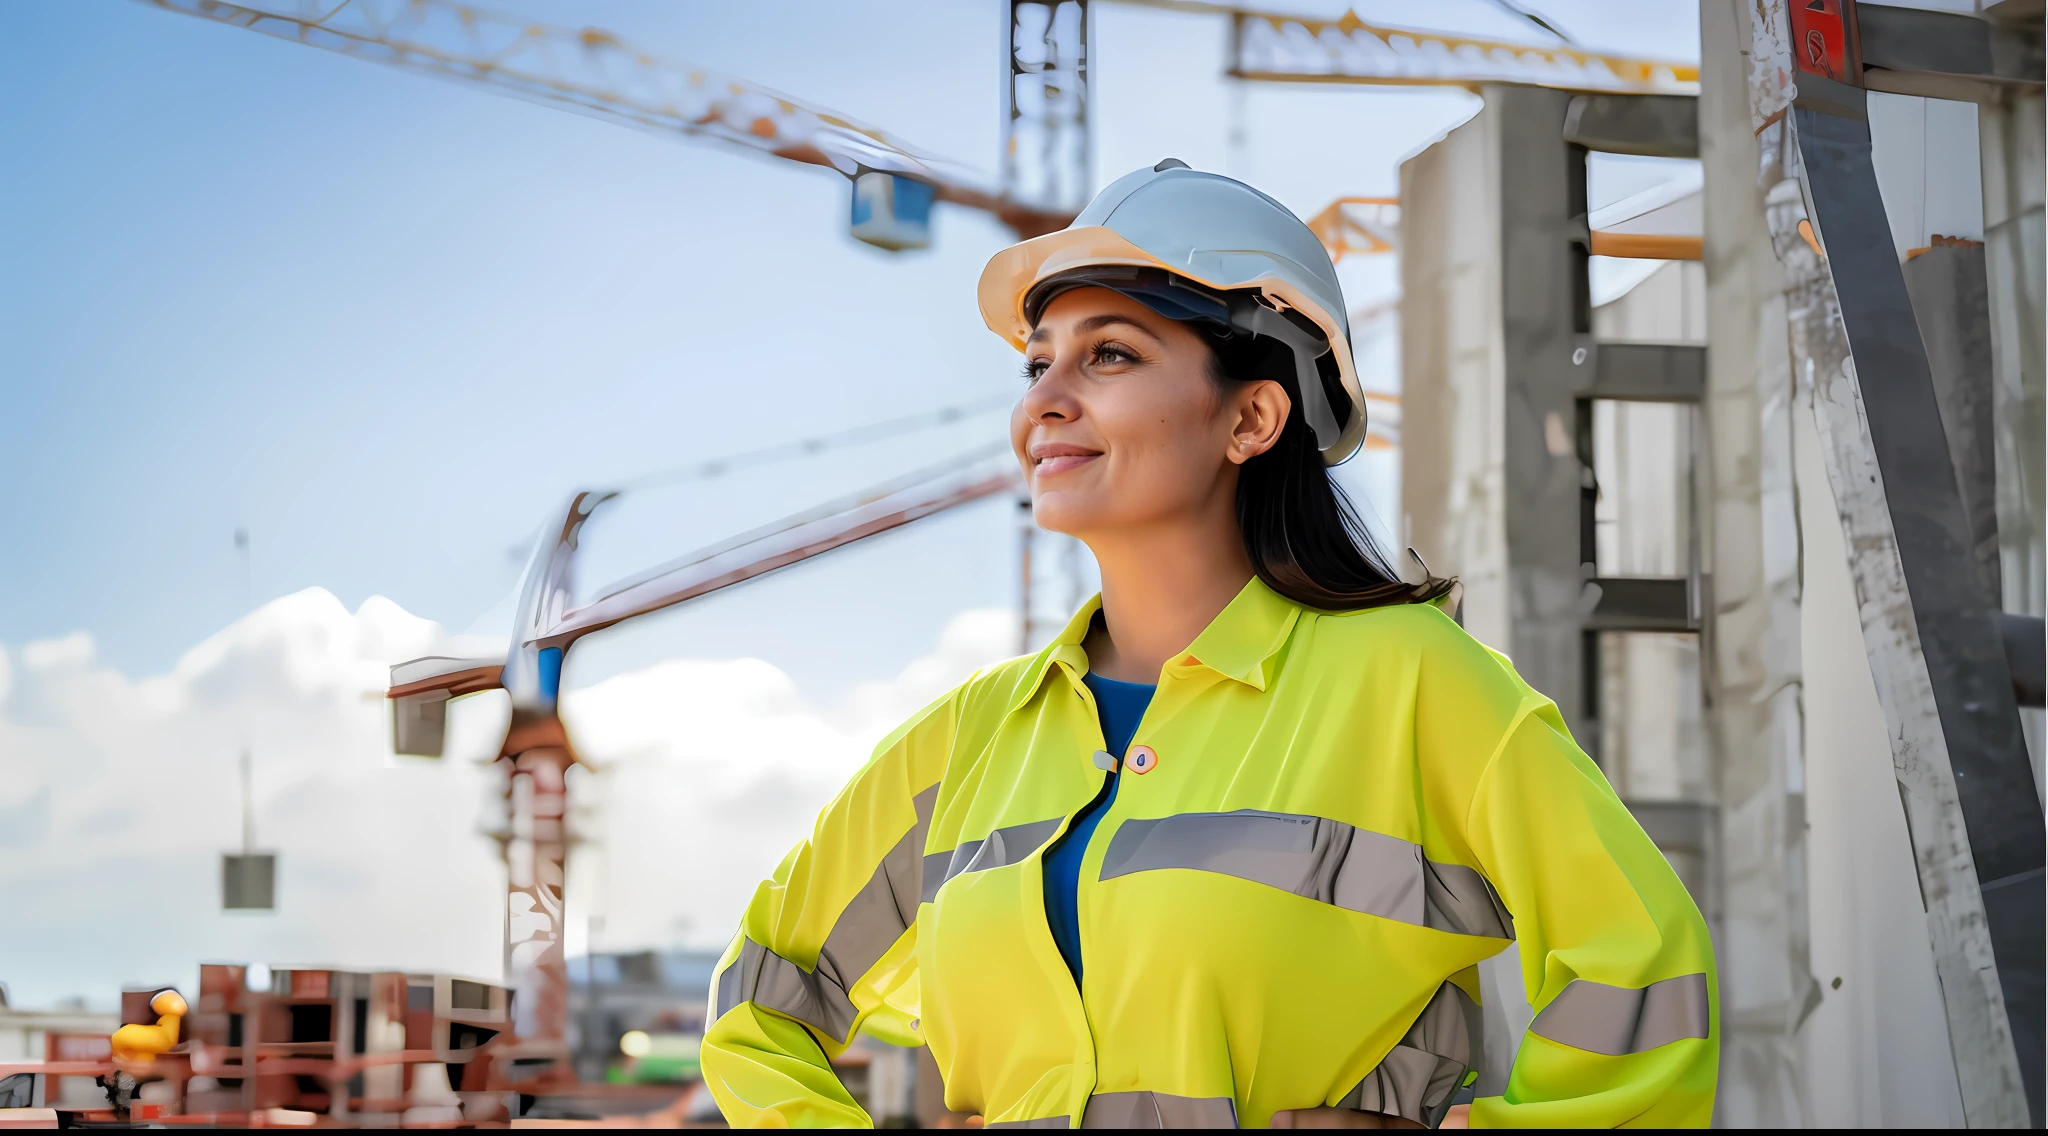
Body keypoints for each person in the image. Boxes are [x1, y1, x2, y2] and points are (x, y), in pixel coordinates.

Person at [699, 161, 1717, 1129]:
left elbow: (1642, 966)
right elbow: (759, 1004)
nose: (1045, 398)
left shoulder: (1405, 677)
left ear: (1251, 415)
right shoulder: (970, 736)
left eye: (1109, 353)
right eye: (1036, 361)